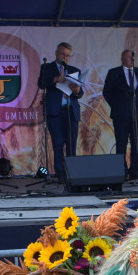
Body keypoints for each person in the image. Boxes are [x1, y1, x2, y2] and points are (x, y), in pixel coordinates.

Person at [37, 42, 84, 182]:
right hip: (55, 111)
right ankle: (59, 174)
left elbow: (79, 94)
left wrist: (77, 91)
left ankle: (71, 173)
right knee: (58, 143)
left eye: (68, 55)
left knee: (71, 144)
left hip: (70, 111)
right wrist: (55, 79)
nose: (65, 57)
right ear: (57, 53)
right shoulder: (47, 67)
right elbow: (41, 83)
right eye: (63, 54)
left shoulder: (75, 70)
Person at [103, 49, 138, 181]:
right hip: (120, 114)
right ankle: (122, 171)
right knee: (121, 144)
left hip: (137, 113)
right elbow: (106, 92)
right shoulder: (114, 72)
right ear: (122, 59)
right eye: (129, 57)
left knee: (136, 143)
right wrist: (116, 105)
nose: (132, 59)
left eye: (133, 57)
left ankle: (135, 171)